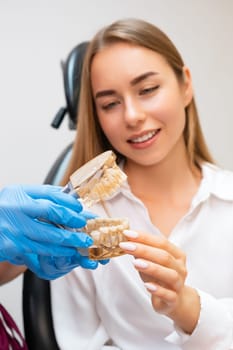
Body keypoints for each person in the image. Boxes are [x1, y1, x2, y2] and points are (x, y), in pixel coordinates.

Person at [50, 18, 233, 350]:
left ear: (186, 84)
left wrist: (189, 308)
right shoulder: (80, 219)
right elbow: (75, 341)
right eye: (109, 104)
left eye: (147, 90)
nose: (132, 115)